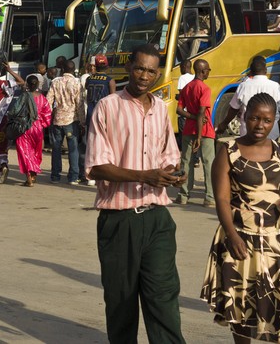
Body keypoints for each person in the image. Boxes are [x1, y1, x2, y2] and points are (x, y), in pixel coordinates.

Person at [84, 43, 187, 343]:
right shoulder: (107, 107)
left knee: (164, 299)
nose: (144, 76)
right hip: (119, 220)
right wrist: (145, 175)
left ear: (158, 74)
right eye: (140, 68)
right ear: (129, 67)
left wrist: (172, 175)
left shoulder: (160, 110)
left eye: (151, 71)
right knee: (121, 304)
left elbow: (170, 155)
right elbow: (97, 166)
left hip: (157, 220)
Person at [201, 93, 280, 342]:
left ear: (274, 120)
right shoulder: (228, 151)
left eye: (267, 120)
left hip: (277, 241)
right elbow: (221, 199)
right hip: (240, 239)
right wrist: (232, 236)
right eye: (254, 118)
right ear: (243, 117)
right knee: (242, 305)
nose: (260, 125)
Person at [216, 56, 280, 139]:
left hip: (248, 134)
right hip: (271, 134)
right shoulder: (275, 86)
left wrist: (224, 124)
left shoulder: (243, 86)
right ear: (265, 70)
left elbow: (233, 109)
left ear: (251, 71)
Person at [175, 59, 215, 206]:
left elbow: (179, 110)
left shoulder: (187, 88)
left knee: (186, 162)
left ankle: (183, 195)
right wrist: (199, 136)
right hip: (204, 131)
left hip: (188, 129)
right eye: (208, 70)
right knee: (208, 163)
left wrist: (191, 117)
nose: (209, 72)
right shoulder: (205, 89)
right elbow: (202, 112)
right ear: (202, 71)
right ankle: (209, 198)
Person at [47, 60, 83, 185]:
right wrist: (82, 121)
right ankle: (73, 177)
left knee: (56, 148)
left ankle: (55, 176)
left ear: (62, 69)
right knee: (73, 149)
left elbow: (49, 101)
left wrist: (49, 116)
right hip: (71, 120)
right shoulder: (77, 83)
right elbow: (79, 104)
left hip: (57, 119)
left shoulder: (55, 82)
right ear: (74, 70)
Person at [15, 74, 52, 186]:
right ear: (37, 84)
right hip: (38, 128)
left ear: (27, 84)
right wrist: (42, 124)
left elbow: (15, 110)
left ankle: (29, 179)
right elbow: (47, 114)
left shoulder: (23, 97)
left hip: (25, 128)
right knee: (36, 152)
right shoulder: (42, 98)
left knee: (25, 152)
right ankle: (34, 174)